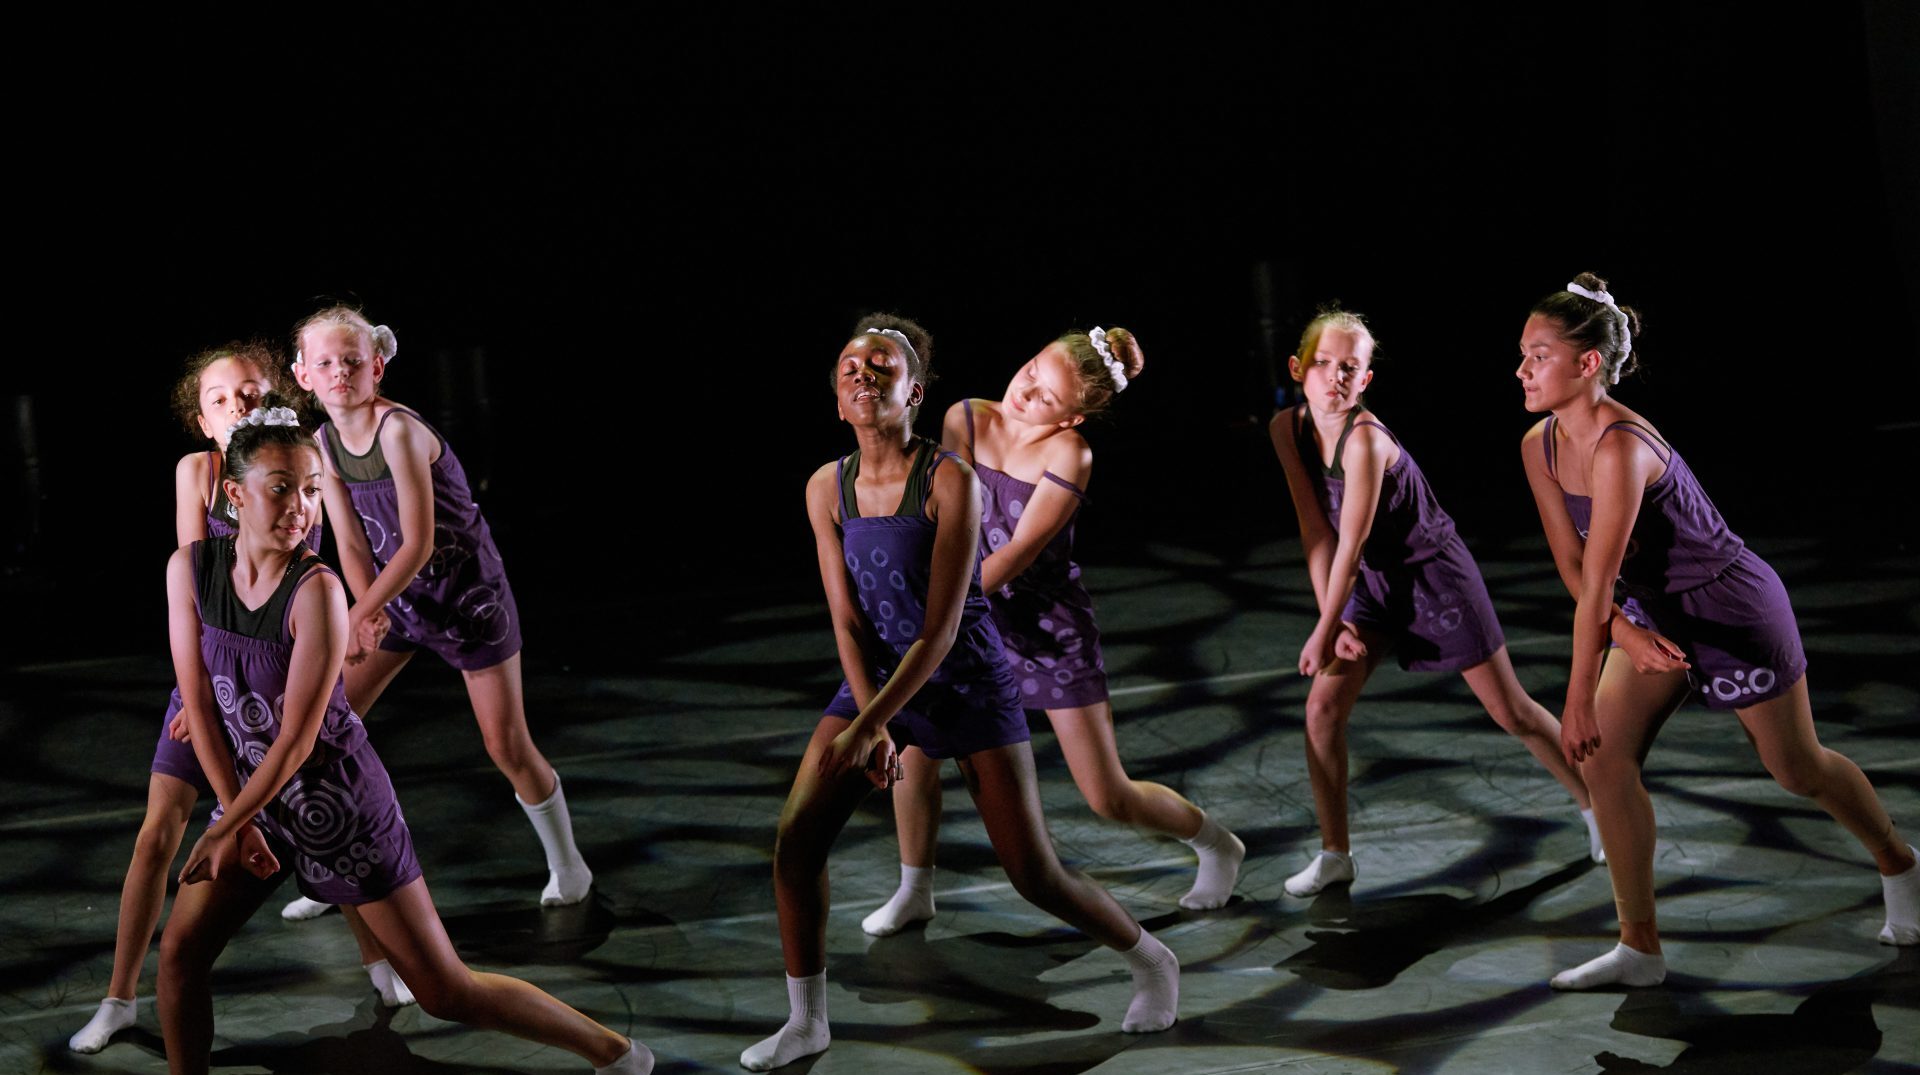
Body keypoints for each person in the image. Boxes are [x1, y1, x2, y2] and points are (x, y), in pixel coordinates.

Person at [740, 317, 1179, 1071]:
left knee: (1032, 871)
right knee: (796, 843)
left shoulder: (950, 480)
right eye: (851, 362)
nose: (863, 372)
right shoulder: (826, 487)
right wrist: (867, 717)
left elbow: (942, 630)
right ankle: (807, 1021)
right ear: (835, 391)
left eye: (882, 364)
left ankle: (1152, 958)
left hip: (967, 681)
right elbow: (846, 617)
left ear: (915, 391)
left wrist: (876, 723)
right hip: (875, 686)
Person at [156, 405, 650, 1074]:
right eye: (281, 487)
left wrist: (228, 824)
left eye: (311, 489)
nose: (300, 507)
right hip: (250, 802)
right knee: (181, 960)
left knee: (446, 990)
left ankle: (617, 1053)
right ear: (234, 493)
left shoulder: (318, 591)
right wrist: (232, 820)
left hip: (341, 806)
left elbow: (299, 740)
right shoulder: (188, 570)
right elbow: (200, 704)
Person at [1516, 272, 1919, 989]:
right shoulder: (1538, 445)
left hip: (1730, 607)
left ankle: (1900, 861)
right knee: (1605, 761)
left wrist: (1577, 696)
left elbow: (1600, 581)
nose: (1520, 369)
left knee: (1796, 769)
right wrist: (1628, 637)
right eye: (1521, 353)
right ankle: (1639, 947)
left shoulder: (1620, 447)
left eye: (1537, 354)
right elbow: (1576, 571)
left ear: (1586, 364)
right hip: (1650, 614)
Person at [863, 327, 1242, 939]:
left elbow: (1013, 555)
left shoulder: (1071, 456)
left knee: (1106, 794)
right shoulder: (966, 417)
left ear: (1074, 418)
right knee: (917, 750)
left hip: (1041, 626)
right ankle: (914, 889)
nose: (1025, 391)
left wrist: (934, 613)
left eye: (1046, 397)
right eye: (1032, 369)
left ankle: (1217, 844)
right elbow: (943, 521)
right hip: (965, 617)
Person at [68, 347, 392, 1056]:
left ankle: (381, 959)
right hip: (210, 672)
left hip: (272, 677)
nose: (240, 404)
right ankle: (119, 997)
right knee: (159, 829)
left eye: (251, 391)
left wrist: (361, 612)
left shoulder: (301, 469)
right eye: (222, 398)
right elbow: (201, 584)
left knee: (322, 813)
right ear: (201, 416)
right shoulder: (201, 474)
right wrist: (197, 695)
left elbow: (338, 554)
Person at [1269, 308, 1601, 898]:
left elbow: (1351, 542)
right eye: (1322, 363)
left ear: (1366, 379)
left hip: (1433, 576)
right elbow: (1315, 531)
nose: (1335, 376)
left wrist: (1325, 629)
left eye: (1350, 366)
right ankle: (1334, 854)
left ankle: (1598, 809)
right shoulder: (1286, 429)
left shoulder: (1365, 442)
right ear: (1298, 368)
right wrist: (1337, 616)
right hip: (1369, 584)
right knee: (1321, 711)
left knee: (1511, 712)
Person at [280, 306, 589, 920]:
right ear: (303, 375)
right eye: (324, 363)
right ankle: (332, 872)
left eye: (351, 361)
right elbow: (352, 541)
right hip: (399, 600)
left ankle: (569, 864)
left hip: (468, 597)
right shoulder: (322, 444)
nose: (339, 372)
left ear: (377, 365)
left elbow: (418, 542)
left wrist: (360, 612)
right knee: (322, 729)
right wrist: (365, 617)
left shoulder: (398, 430)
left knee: (505, 743)